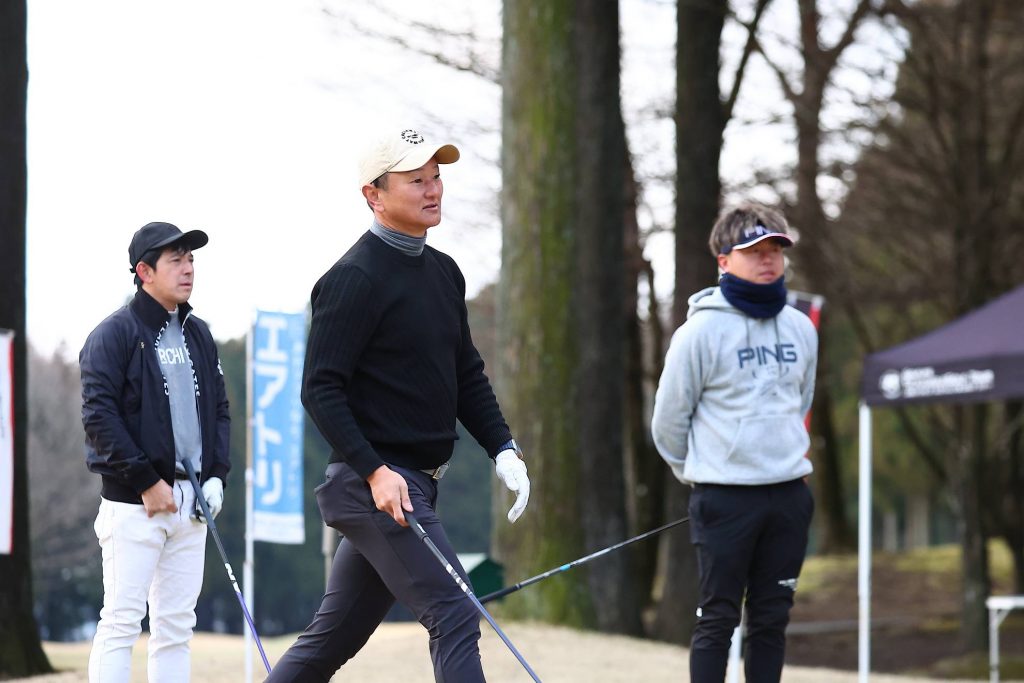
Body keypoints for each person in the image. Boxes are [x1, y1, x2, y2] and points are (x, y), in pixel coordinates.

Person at [266, 127, 531, 682]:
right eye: (416, 180)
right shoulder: (352, 279)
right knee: (455, 612)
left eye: (436, 177)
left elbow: (465, 373)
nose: (433, 190)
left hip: (412, 485)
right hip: (375, 486)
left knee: (331, 640)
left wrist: (503, 448)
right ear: (374, 195)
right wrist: (375, 471)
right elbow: (320, 389)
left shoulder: (444, 273)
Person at [650, 203, 817, 683]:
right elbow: (668, 423)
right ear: (723, 260)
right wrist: (706, 472)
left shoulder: (801, 328)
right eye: (754, 251)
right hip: (724, 498)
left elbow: (800, 401)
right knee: (718, 618)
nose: (768, 259)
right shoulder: (699, 332)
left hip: (788, 495)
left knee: (772, 619)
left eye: (775, 250)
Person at [80, 221, 231, 683]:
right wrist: (147, 482)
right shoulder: (114, 334)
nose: (188, 269)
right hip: (134, 502)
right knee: (122, 622)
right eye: (176, 260)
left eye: (191, 260)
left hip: (192, 502)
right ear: (144, 272)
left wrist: (216, 475)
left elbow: (219, 410)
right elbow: (99, 418)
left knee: (176, 629)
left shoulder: (198, 334)